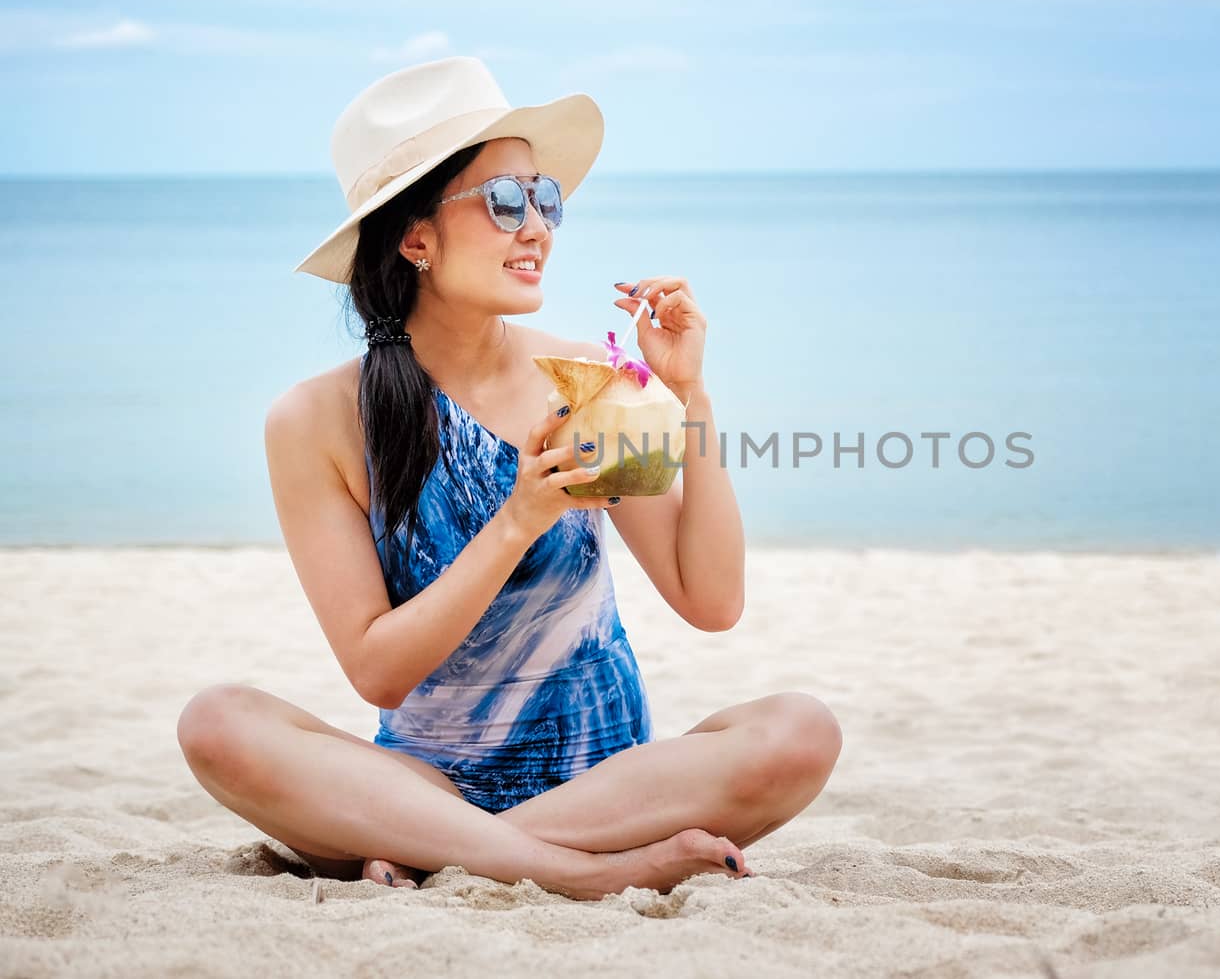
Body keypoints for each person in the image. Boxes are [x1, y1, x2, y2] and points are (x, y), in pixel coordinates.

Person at [175, 56, 842, 901]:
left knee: (801, 730)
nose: (538, 227)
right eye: (503, 202)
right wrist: (517, 520)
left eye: (545, 198)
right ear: (414, 237)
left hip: (603, 787)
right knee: (217, 722)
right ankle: (583, 873)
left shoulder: (587, 375)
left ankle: (454, 854)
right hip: (427, 787)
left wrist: (689, 394)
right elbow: (378, 672)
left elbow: (710, 599)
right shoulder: (314, 420)